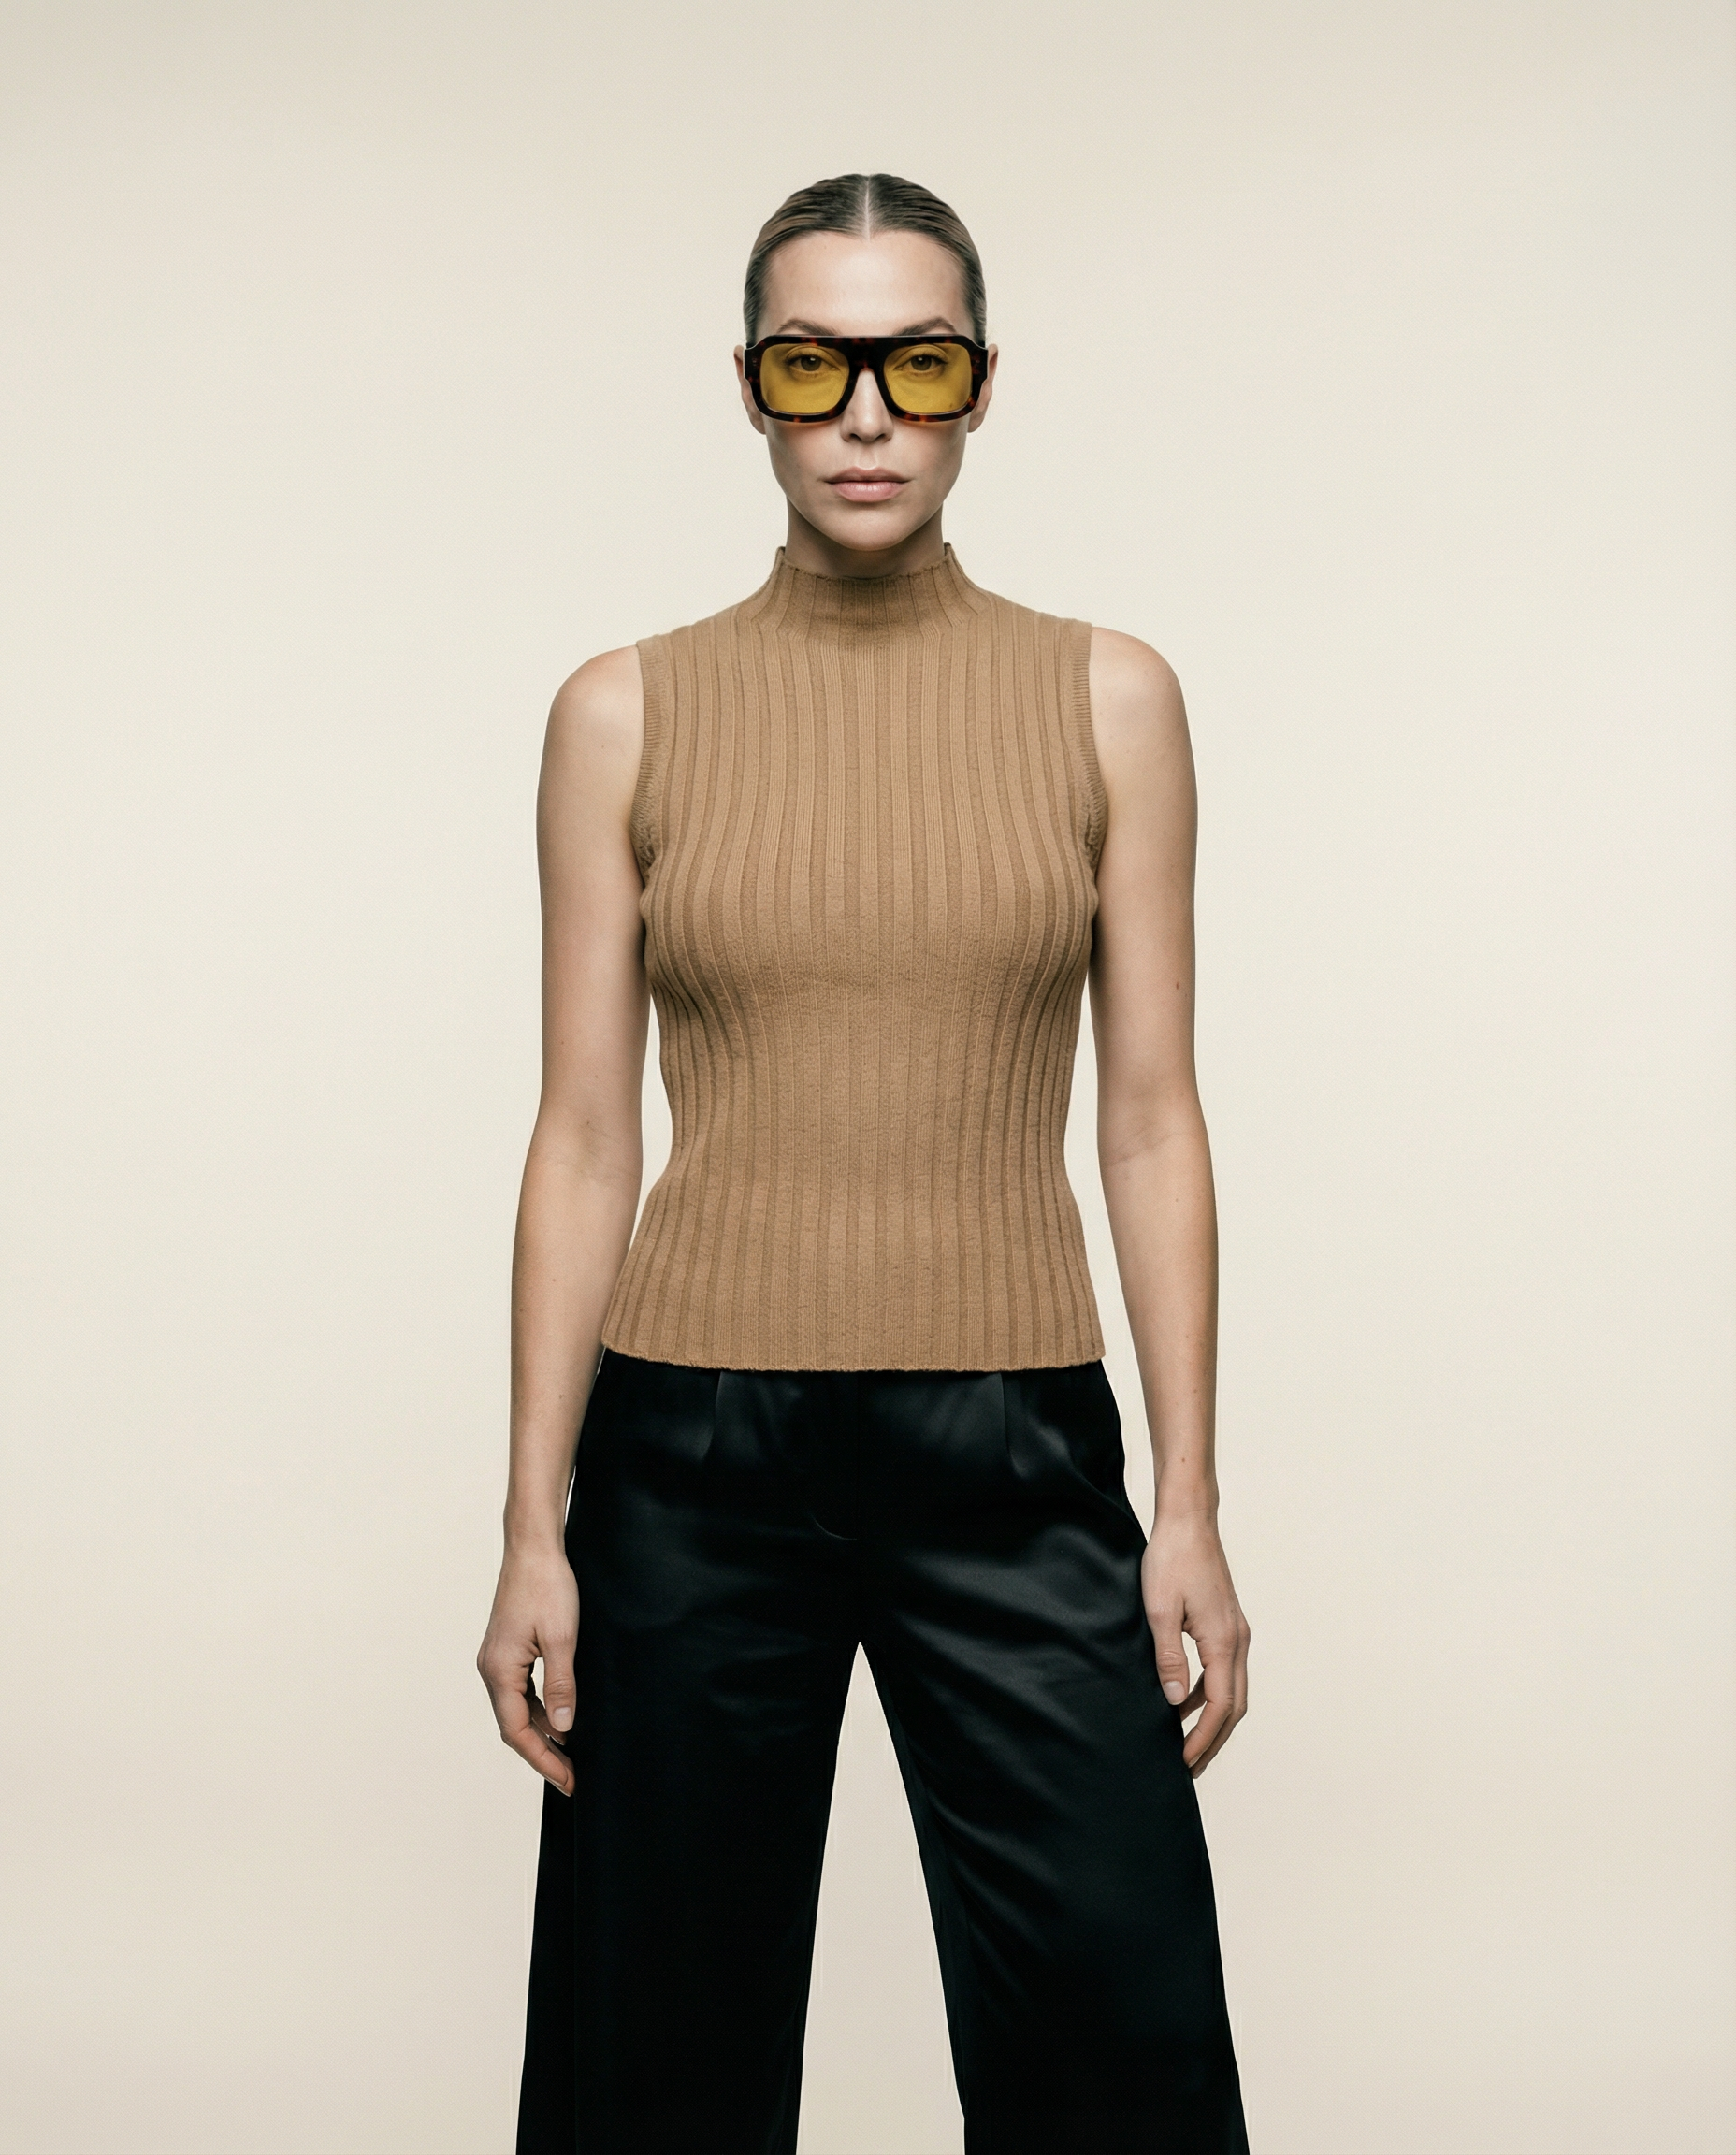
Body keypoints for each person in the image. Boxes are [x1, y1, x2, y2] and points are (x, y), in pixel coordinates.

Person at [478, 171, 1252, 2155]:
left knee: (1125, 2049)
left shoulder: (1109, 698)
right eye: (812, 366)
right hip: (689, 1455)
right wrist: (533, 1527)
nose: (866, 416)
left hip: (1010, 1445)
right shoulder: (623, 713)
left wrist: (1184, 1503)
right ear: (749, 386)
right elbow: (584, 1138)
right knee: (654, 2066)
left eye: (918, 363)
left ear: (983, 383)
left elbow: (1149, 1117)